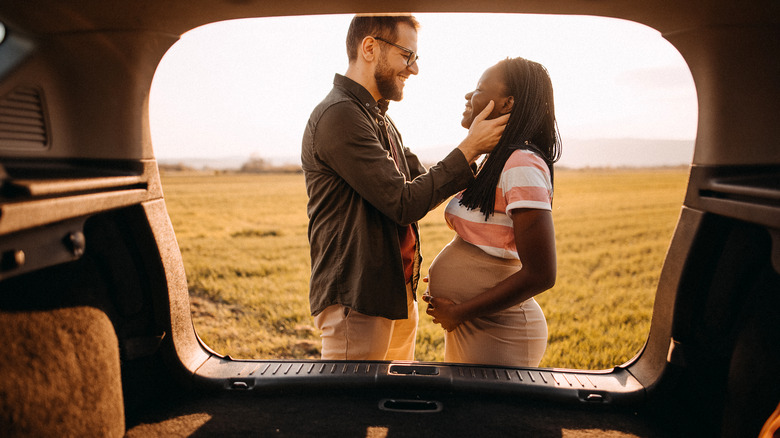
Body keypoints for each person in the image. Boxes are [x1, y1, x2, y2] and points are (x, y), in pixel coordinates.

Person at [301, 15, 509, 361]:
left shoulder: (377, 118)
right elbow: (404, 202)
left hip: (392, 295)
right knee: (351, 411)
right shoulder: (340, 115)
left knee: (386, 408)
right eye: (406, 56)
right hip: (358, 300)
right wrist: (470, 146)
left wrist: (482, 152)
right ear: (370, 48)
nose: (413, 69)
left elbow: (420, 181)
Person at [423, 57, 561, 367]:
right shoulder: (497, 160)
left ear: (507, 102)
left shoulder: (521, 163)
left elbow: (542, 274)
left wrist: (460, 310)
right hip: (478, 326)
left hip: (501, 331)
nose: (468, 97)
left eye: (479, 89)